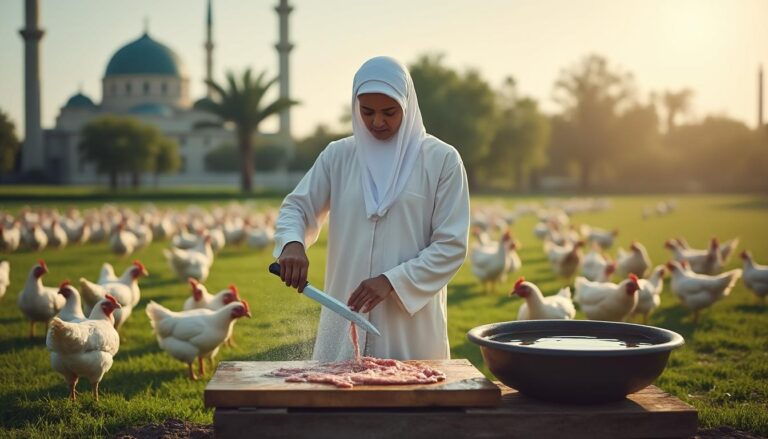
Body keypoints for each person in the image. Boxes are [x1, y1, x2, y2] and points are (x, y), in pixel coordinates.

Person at [273, 56, 470, 362]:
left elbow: (451, 246)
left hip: (410, 325)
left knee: (413, 399)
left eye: (389, 112)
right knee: (336, 401)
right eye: (367, 112)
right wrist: (292, 243)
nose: (378, 122)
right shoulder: (338, 156)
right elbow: (296, 208)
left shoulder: (441, 160)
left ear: (407, 104)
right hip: (344, 313)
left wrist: (392, 281)